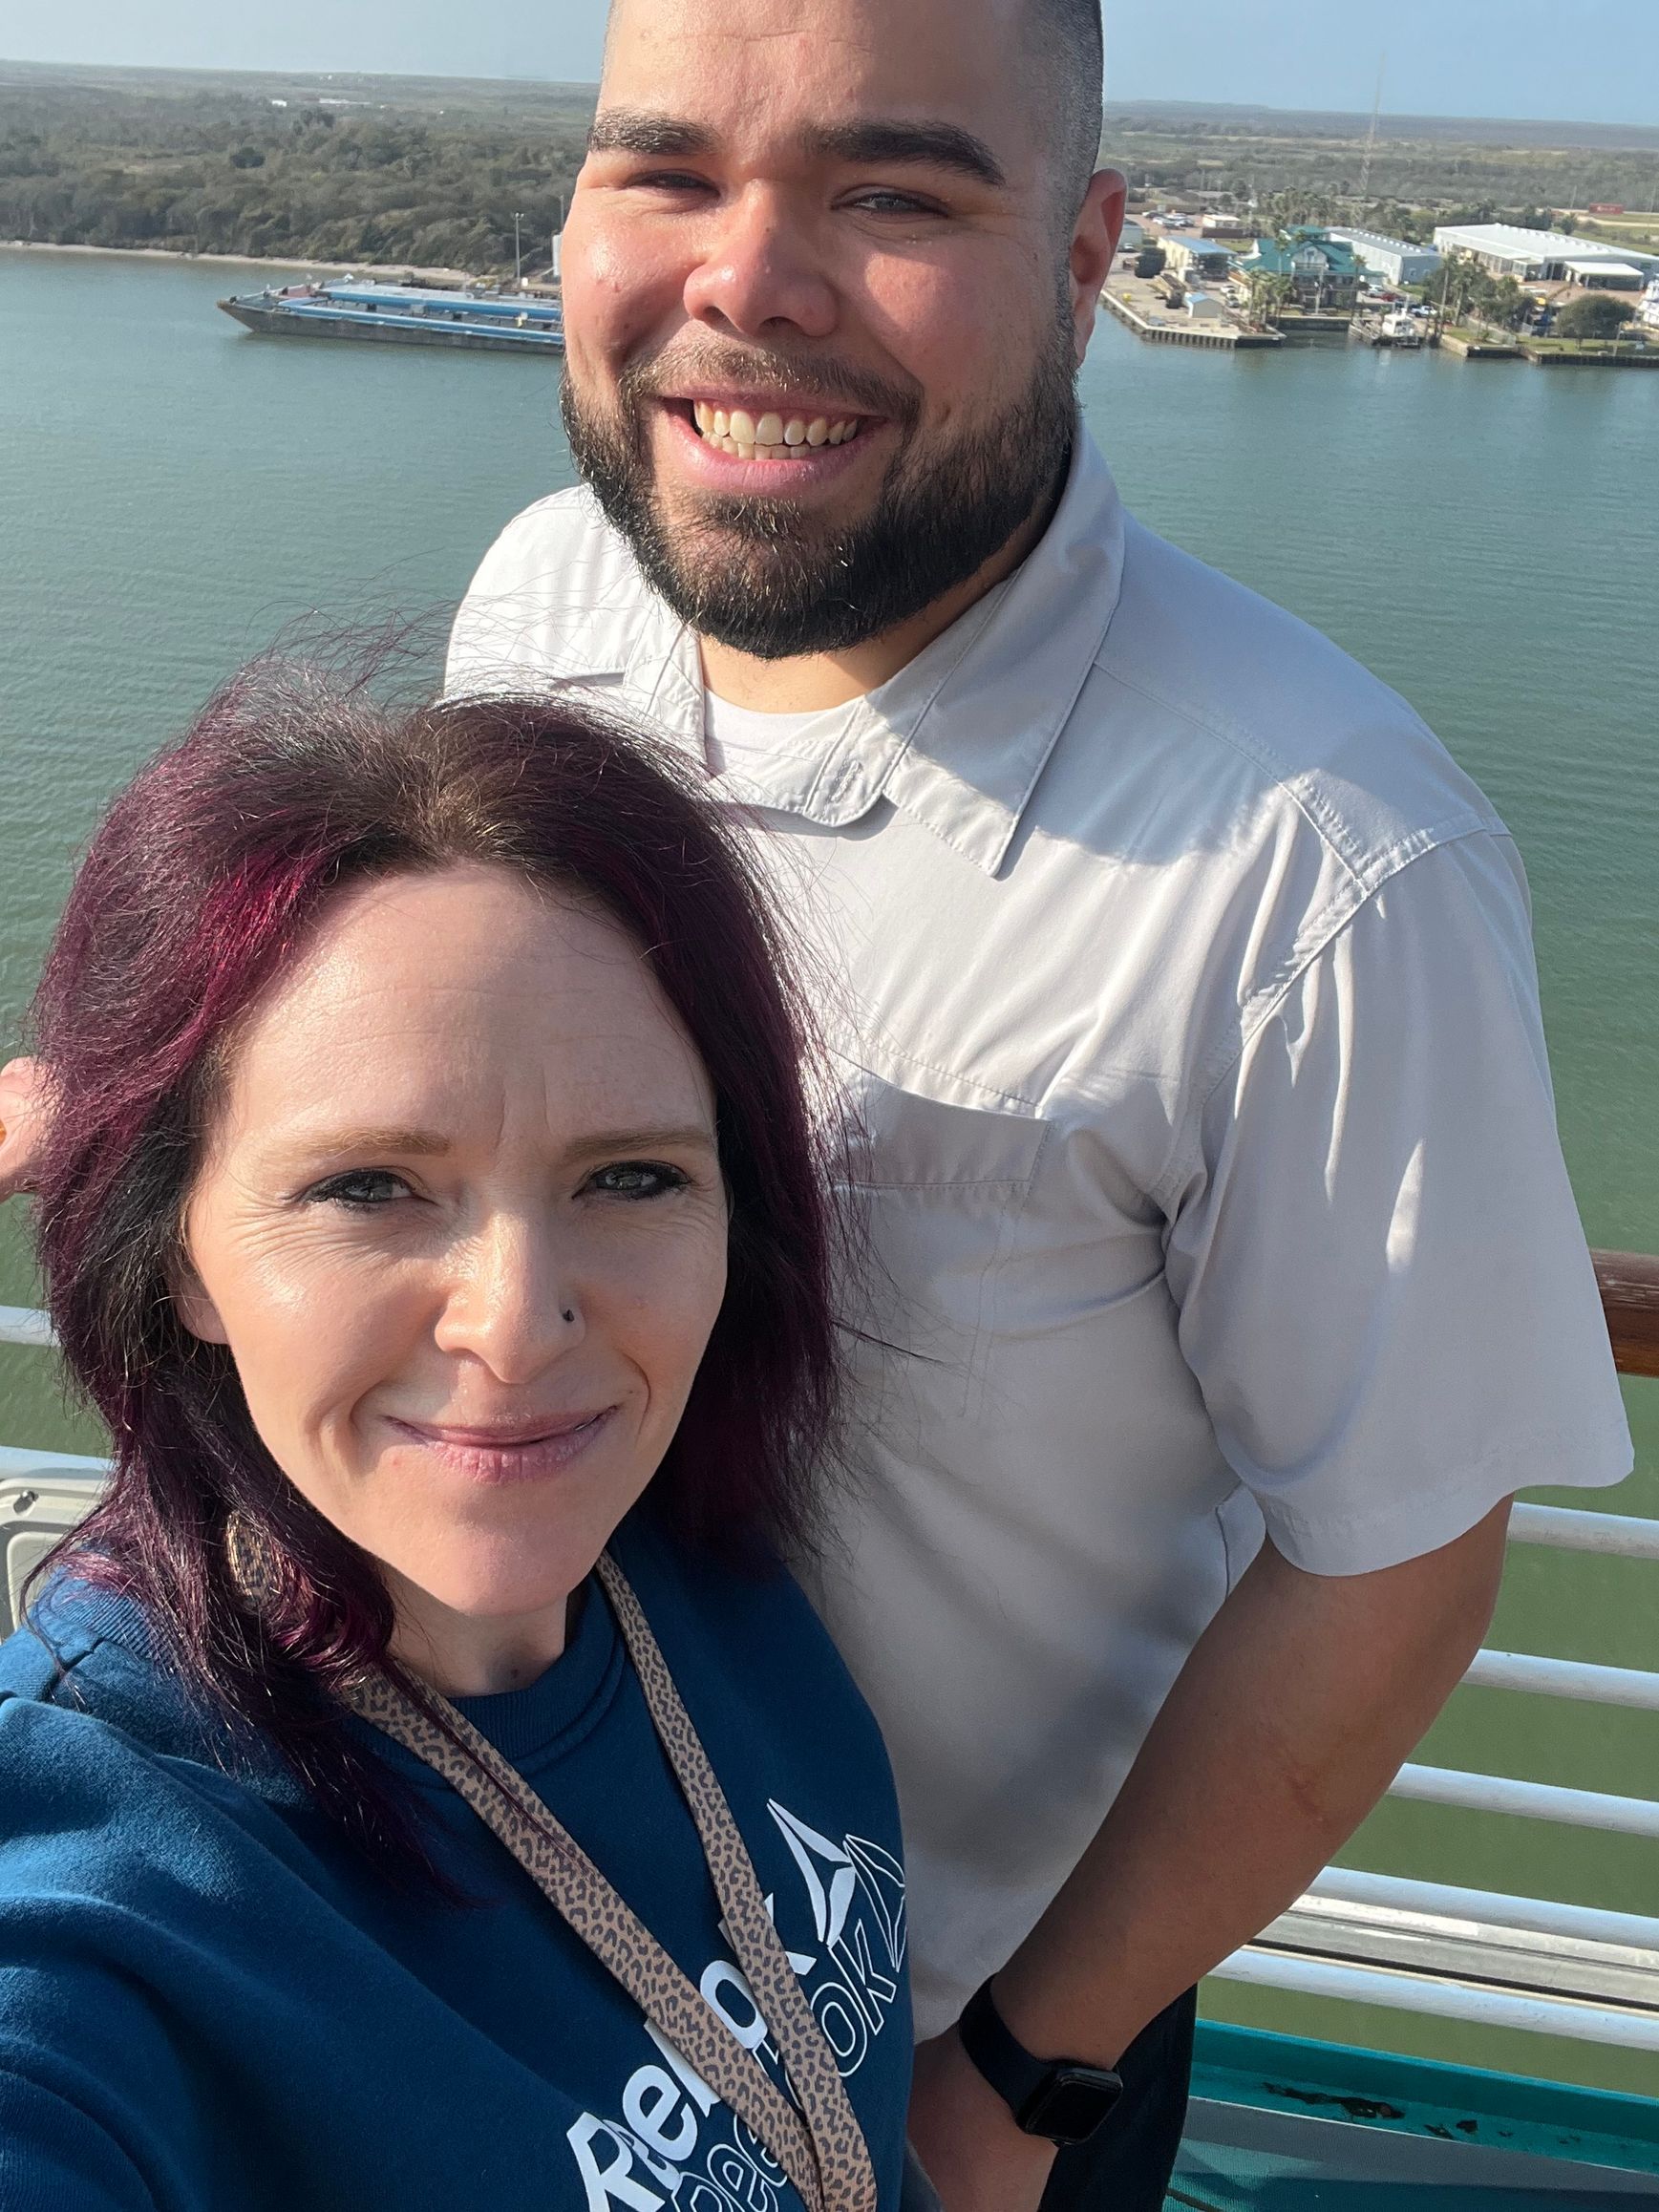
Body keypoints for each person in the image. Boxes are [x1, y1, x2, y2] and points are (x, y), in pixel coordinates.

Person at [0, 1, 1634, 2206]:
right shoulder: (551, 596)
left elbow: (1395, 1555)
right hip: (487, 1898)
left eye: (891, 193)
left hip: (939, 2002)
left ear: (1081, 259)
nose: (747, 284)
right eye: (663, 173)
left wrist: (1023, 2076)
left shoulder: (1318, 869)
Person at [0, 677, 917, 2212]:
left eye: (628, 1179)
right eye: (368, 1187)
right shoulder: (120, 1866)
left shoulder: (693, 1560)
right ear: (173, 1259)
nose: (517, 1325)